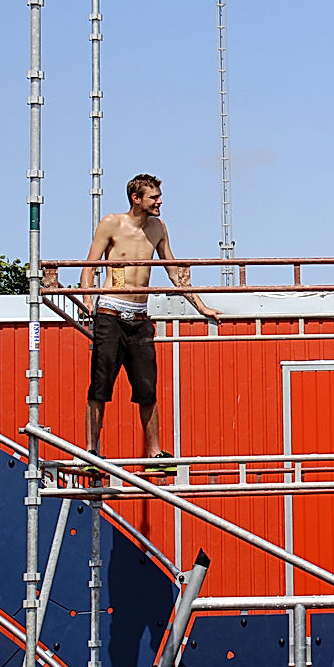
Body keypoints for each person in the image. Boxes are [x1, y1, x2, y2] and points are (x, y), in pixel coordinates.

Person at [81, 174, 221, 471]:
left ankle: (155, 454)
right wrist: (87, 299)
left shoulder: (158, 227)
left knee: (148, 388)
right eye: (153, 197)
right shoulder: (111, 223)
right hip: (110, 313)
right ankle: (92, 452)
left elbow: (174, 272)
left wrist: (201, 307)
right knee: (100, 385)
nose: (159, 202)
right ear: (136, 198)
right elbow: (90, 266)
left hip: (140, 318)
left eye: (159, 197)